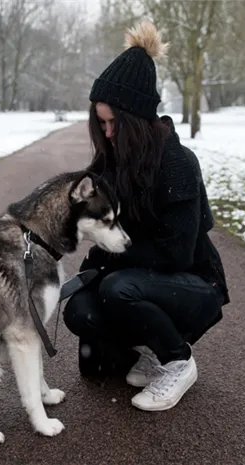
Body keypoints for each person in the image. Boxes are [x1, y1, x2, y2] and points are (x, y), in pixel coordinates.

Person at [62, 19, 231, 412]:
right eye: (100, 122)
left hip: (193, 283)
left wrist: (112, 257)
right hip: (135, 277)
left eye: (113, 123)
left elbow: (176, 255)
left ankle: (177, 360)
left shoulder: (177, 163)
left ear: (137, 120)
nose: (105, 133)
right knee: (78, 311)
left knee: (116, 289)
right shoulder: (110, 161)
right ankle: (149, 350)